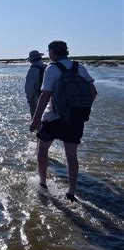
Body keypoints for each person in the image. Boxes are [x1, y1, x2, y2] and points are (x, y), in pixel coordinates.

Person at [30, 40, 97, 202]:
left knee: (42, 149)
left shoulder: (52, 69)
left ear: (53, 52)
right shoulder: (79, 67)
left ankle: (43, 183)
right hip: (75, 119)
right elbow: (93, 92)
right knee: (71, 155)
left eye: (50, 51)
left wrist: (35, 119)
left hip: (53, 118)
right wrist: (81, 110)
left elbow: (45, 95)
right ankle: (71, 192)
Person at [25, 50, 47, 118]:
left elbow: (29, 89)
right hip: (50, 99)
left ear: (31, 60)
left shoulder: (32, 71)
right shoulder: (47, 68)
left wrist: (29, 100)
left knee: (36, 120)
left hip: (36, 98)